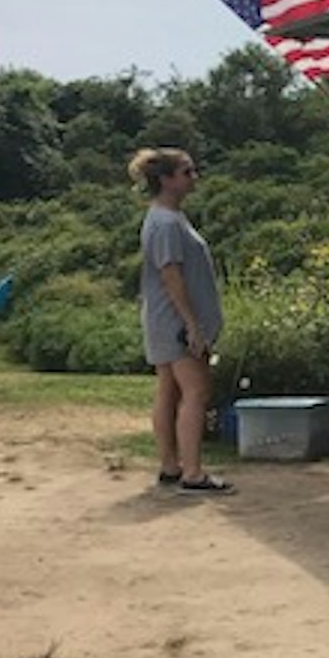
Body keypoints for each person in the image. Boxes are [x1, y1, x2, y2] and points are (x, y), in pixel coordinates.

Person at [129, 148, 233, 494]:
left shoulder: (166, 219)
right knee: (196, 391)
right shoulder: (166, 223)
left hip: (164, 320)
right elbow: (171, 275)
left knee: (169, 390)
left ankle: (171, 465)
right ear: (166, 180)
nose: (194, 178)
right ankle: (192, 472)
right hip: (174, 322)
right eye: (187, 172)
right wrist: (193, 324)